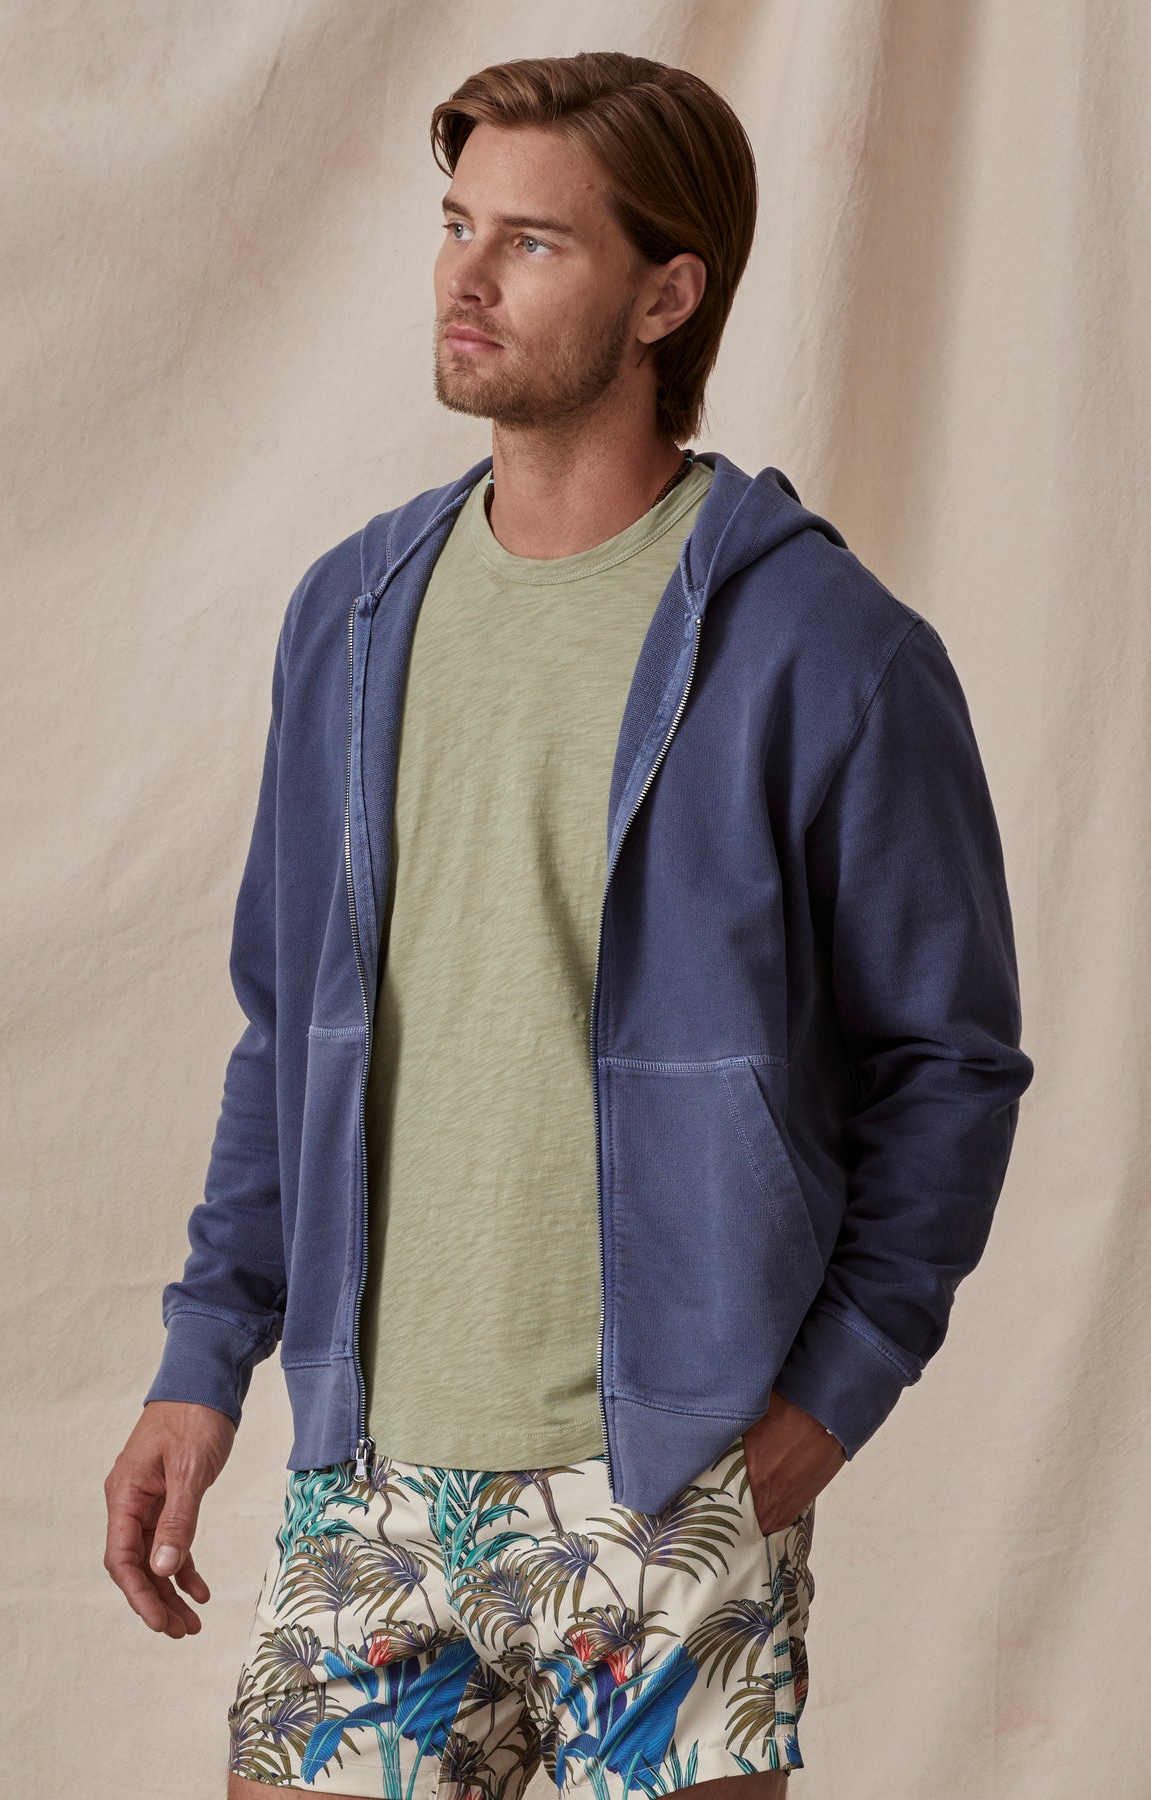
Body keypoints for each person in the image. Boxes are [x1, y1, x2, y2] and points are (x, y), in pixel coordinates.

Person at [103, 50, 1034, 1799]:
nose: (462, 277)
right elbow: (281, 1022)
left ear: (668, 292)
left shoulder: (829, 648)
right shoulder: (352, 617)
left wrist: (812, 1419)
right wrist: (201, 1360)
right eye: (457, 225)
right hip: (366, 1474)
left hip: (671, 1483)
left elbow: (951, 1066)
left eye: (531, 242)